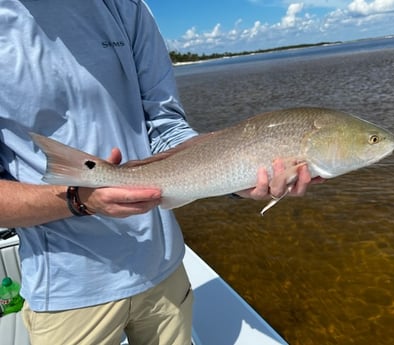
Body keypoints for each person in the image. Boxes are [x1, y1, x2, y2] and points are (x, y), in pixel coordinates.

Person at [0, 1, 313, 344]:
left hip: (164, 271)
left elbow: (165, 125)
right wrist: (79, 199)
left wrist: (239, 178)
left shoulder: (125, 6)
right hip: (68, 291)